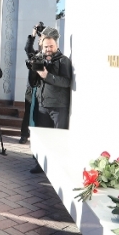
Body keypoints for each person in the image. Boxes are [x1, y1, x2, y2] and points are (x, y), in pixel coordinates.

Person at [29, 32, 72, 173]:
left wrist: (47, 76)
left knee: (59, 139)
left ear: (56, 46)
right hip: (43, 105)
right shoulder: (40, 58)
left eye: (51, 46)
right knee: (44, 138)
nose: (48, 49)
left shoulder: (63, 61)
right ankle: (40, 165)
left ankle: (58, 168)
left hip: (58, 107)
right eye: (46, 46)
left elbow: (66, 82)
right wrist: (33, 71)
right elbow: (34, 82)